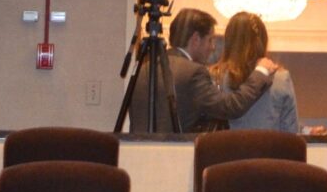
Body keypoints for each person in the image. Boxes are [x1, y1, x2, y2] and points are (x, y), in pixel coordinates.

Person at [125, 7, 279, 133]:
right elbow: (230, 107)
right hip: (175, 155)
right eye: (210, 40)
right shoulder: (193, 73)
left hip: (139, 154)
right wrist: (260, 72)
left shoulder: (144, 70)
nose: (213, 47)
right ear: (195, 39)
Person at [215, 12, 299, 133]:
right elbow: (290, 131)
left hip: (226, 145)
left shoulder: (216, 76)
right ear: (264, 41)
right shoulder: (281, 78)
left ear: (229, 41)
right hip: (270, 145)